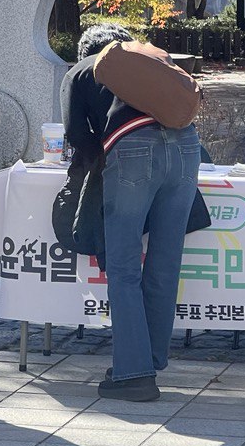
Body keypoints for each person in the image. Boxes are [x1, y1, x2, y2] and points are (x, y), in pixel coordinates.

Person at [61, 23, 202, 402]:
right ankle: (149, 359)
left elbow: (78, 137)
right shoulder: (150, 58)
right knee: (165, 261)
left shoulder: (80, 71)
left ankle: (133, 374)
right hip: (188, 148)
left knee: (123, 268)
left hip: (133, 152)